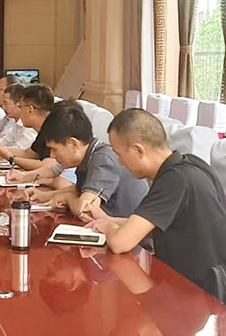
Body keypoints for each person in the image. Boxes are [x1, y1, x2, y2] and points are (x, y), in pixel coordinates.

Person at [86, 108, 226, 300]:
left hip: (198, 294)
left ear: (138, 150)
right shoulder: (191, 164)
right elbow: (157, 224)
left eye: (119, 154)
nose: (120, 162)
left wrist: (109, 228)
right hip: (193, 285)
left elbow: (120, 243)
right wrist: (108, 220)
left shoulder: (174, 180)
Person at [26, 101, 149, 219]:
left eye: (54, 149)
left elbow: (86, 211)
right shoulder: (90, 156)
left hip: (130, 232)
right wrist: (44, 195)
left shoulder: (103, 159)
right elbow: (79, 189)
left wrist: (68, 199)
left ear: (73, 144)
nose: (52, 156)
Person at [0, 84, 57, 171]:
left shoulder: (55, 130)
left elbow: (48, 166)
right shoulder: (43, 130)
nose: (19, 111)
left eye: (20, 107)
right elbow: (28, 153)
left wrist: (11, 158)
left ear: (30, 110)